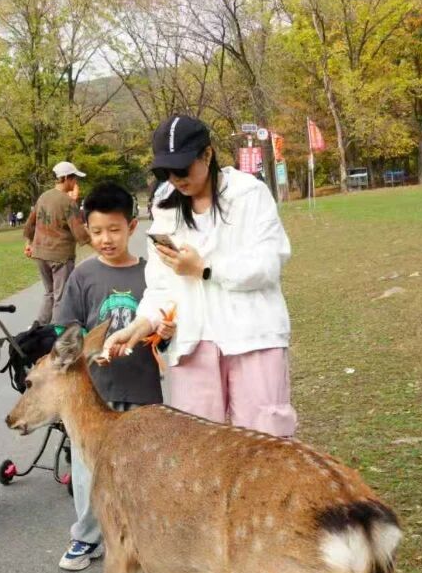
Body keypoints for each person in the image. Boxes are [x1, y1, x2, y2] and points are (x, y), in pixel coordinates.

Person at [104, 114, 296, 437]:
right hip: (194, 342)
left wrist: (204, 269)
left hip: (251, 337)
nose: (176, 179)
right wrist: (141, 324)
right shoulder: (165, 209)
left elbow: (267, 265)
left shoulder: (249, 195)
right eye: (167, 171)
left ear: (207, 155)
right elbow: (161, 285)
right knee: (198, 447)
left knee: (263, 443)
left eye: (182, 168)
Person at [52, 183, 165, 571]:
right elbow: (63, 330)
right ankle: (86, 538)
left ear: (132, 226)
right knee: (88, 473)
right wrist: (86, 351)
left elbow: (166, 326)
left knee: (141, 473)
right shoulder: (82, 276)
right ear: (86, 228)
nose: (105, 239)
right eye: (97, 231)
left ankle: (142, 548)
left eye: (114, 230)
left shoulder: (152, 275)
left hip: (142, 392)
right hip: (94, 398)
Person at [24, 161, 91, 325]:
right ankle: (54, 332)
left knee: (49, 293)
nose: (76, 182)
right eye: (74, 178)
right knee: (61, 296)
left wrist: (28, 243)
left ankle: (39, 326)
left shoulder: (43, 196)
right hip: (60, 256)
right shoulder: (67, 202)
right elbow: (79, 232)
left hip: (40, 253)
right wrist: (98, 245)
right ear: (66, 178)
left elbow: (30, 224)